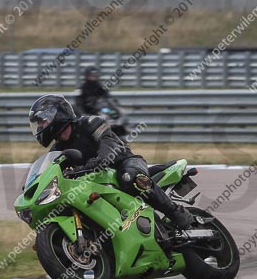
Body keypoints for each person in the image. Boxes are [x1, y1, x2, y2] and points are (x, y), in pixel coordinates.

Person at [28, 94, 194, 229]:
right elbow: (52, 171)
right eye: (38, 123)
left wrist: (100, 159)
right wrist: (36, 184)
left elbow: (109, 143)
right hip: (95, 180)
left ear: (58, 113)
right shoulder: (57, 149)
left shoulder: (89, 123)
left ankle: (176, 213)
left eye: (43, 120)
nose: (41, 125)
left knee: (130, 177)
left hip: (124, 163)